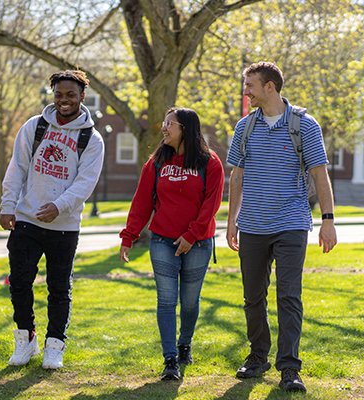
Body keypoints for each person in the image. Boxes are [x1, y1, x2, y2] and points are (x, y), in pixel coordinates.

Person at [225, 62, 337, 392]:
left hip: (291, 223)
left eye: (250, 85)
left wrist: (327, 222)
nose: (246, 91)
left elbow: (319, 174)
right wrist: (232, 220)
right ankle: (258, 357)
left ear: (270, 87)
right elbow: (237, 175)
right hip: (253, 226)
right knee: (253, 297)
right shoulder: (244, 127)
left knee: (289, 296)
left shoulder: (305, 125)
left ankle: (289, 367)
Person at [0, 70, 104, 370]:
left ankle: (54, 344)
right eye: (59, 94)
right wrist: (8, 206)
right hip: (27, 221)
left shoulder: (92, 138)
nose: (64, 100)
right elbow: (17, 168)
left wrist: (60, 206)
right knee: (19, 281)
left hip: (64, 227)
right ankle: (26, 338)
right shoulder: (34, 127)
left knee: (59, 288)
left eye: (71, 95)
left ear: (82, 97)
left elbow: (86, 182)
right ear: (53, 95)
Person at [119, 107, 224, 380]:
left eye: (170, 124)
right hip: (163, 240)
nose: (163, 128)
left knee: (189, 303)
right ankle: (170, 360)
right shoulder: (156, 162)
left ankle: (184, 344)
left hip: (198, 243)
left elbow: (211, 204)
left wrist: (191, 236)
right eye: (164, 123)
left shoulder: (210, 163)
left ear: (185, 129)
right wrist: (129, 236)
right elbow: (141, 201)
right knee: (166, 301)